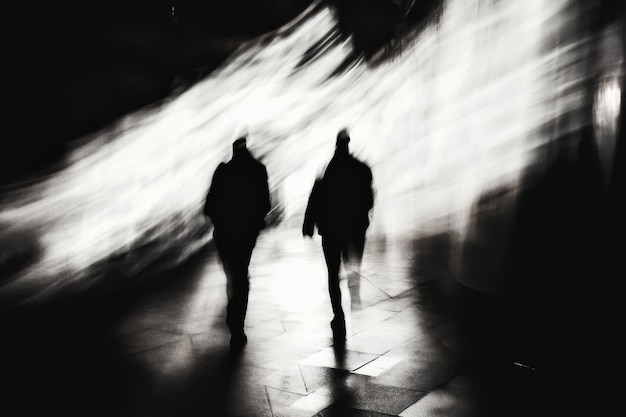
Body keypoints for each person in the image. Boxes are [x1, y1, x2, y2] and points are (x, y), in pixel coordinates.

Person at [303, 129, 374, 340]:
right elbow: (369, 200)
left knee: (333, 274)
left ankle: (338, 315)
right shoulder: (361, 169)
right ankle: (354, 294)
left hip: (332, 231)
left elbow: (315, 199)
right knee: (352, 264)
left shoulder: (327, 171)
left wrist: (309, 225)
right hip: (354, 229)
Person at [204, 136, 271, 351]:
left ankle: (234, 314)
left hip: (225, 233)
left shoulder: (223, 171)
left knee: (232, 274)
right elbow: (265, 203)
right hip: (246, 233)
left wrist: (221, 221)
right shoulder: (258, 170)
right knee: (241, 274)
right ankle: (237, 324)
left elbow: (209, 204)